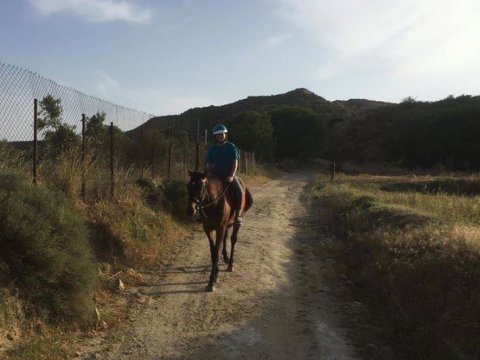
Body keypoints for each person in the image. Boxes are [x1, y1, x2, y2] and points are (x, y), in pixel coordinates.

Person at [205, 124, 243, 225]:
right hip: (215, 176)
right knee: (203, 191)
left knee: (238, 191)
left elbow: (235, 163)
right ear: (215, 137)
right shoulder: (212, 149)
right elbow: (208, 165)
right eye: (217, 135)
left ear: (225, 134)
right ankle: (203, 214)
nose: (219, 136)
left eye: (221, 134)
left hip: (228, 176)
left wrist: (232, 176)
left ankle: (237, 216)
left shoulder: (231, 147)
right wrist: (206, 175)